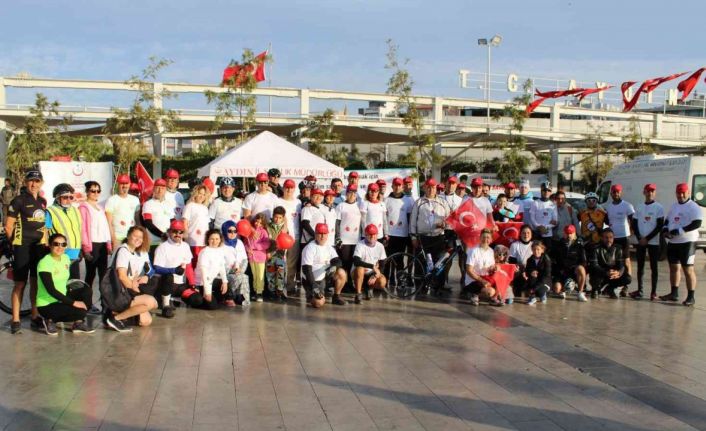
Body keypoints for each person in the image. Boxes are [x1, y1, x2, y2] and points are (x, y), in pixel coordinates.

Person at [5, 170, 48, 334]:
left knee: (35, 282)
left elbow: (44, 226)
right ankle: (15, 320)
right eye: (31, 181)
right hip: (22, 246)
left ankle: (35, 316)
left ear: (41, 183)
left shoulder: (43, 201)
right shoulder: (18, 200)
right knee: (20, 284)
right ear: (25, 182)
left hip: (38, 247)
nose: (34, 184)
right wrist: (14, 245)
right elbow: (9, 226)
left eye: (37, 181)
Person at [36, 233, 94, 335]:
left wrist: (75, 293)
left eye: (63, 244)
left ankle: (78, 323)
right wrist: (73, 303)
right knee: (80, 311)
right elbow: (51, 290)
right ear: (50, 245)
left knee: (86, 291)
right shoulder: (45, 263)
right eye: (56, 244)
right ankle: (49, 320)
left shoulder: (65, 258)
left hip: (61, 297)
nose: (60, 247)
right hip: (47, 304)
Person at [105, 226, 159, 332]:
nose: (138, 239)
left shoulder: (141, 252)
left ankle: (117, 314)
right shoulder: (123, 251)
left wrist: (146, 276)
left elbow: (151, 270)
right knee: (151, 302)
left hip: (129, 289)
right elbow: (122, 276)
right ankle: (115, 319)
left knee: (146, 321)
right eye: (135, 236)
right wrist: (135, 291)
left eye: (141, 237)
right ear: (128, 236)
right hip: (119, 292)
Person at [660, 183, 701, 306]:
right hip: (673, 242)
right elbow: (667, 220)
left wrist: (680, 230)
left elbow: (697, 223)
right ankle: (674, 293)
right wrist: (665, 229)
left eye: (683, 192)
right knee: (674, 268)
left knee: (688, 269)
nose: (681, 195)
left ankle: (691, 297)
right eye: (679, 193)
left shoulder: (693, 206)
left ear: (688, 192)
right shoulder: (674, 206)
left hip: (687, 242)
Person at [152, 220, 202, 308]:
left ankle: (174, 299)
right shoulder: (162, 247)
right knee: (169, 276)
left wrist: (192, 283)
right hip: (164, 284)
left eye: (180, 232)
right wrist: (174, 270)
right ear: (169, 232)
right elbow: (157, 268)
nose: (178, 234)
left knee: (197, 300)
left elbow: (188, 267)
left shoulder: (185, 246)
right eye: (175, 231)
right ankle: (165, 304)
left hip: (179, 285)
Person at [410, 178, 451, 286]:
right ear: (424, 188)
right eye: (428, 187)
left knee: (439, 262)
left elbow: (449, 220)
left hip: (438, 237)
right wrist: (413, 237)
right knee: (420, 262)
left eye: (433, 187)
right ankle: (420, 285)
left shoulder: (443, 202)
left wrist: (444, 225)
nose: (431, 189)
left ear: (436, 188)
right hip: (422, 237)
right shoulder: (419, 202)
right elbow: (413, 221)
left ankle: (439, 286)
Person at [78, 181, 112, 311]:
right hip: (91, 245)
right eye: (93, 190)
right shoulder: (83, 207)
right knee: (90, 275)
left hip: (102, 245)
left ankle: (105, 305)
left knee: (103, 276)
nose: (95, 193)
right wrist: (85, 248)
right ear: (87, 191)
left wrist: (108, 244)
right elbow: (83, 229)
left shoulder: (100, 208)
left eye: (98, 191)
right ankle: (87, 303)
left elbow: (105, 227)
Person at [630, 183, 664, 300]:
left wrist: (647, 239)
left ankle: (653, 292)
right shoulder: (639, 206)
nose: (649, 193)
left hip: (653, 242)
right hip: (641, 242)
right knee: (640, 266)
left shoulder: (659, 207)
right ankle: (640, 290)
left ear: (654, 193)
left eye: (652, 191)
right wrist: (640, 238)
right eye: (648, 191)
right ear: (644, 192)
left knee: (654, 267)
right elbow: (634, 223)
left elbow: (659, 226)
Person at [301, 223, 347, 307]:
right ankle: (311, 294)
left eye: (324, 234)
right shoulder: (310, 248)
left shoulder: (329, 247)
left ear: (327, 235)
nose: (322, 236)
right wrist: (314, 286)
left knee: (342, 273)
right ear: (315, 234)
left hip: (324, 277)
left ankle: (336, 296)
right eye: (320, 233)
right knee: (318, 303)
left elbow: (338, 261)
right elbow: (306, 269)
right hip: (311, 280)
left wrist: (333, 266)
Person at [45, 183, 82, 280]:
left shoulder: (75, 210)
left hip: (75, 254)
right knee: (61, 283)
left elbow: (78, 231)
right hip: (60, 254)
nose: (68, 200)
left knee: (74, 284)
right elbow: (45, 232)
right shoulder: (51, 211)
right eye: (65, 197)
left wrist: (81, 249)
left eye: (71, 197)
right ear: (57, 198)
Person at [604, 184, 635, 296]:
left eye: (617, 192)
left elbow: (633, 220)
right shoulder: (608, 207)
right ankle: (614, 282)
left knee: (626, 260)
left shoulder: (627, 205)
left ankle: (626, 285)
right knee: (613, 260)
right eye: (614, 192)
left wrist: (631, 231)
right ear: (611, 194)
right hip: (612, 238)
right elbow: (607, 221)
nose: (616, 194)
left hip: (624, 236)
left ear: (620, 192)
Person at [587, 229, 632, 299]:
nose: (608, 240)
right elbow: (594, 266)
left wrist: (618, 273)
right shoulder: (595, 248)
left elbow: (621, 265)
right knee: (594, 275)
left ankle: (610, 289)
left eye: (611, 237)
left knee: (627, 278)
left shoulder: (618, 248)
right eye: (606, 237)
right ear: (602, 238)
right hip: (600, 274)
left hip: (612, 275)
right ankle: (595, 289)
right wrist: (606, 272)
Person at [195, 229, 235, 309]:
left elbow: (221, 267)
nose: (215, 241)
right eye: (212, 239)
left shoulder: (220, 250)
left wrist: (224, 282)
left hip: (211, 280)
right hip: (202, 283)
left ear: (220, 240)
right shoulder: (205, 252)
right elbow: (204, 274)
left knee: (226, 284)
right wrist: (207, 292)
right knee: (212, 306)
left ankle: (217, 298)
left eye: (217, 239)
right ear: (208, 240)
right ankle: (201, 297)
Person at [463, 229, 502, 306]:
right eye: (483, 237)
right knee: (491, 292)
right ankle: (473, 294)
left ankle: (492, 297)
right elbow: (469, 270)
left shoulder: (491, 251)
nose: (485, 239)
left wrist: (494, 268)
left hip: (486, 278)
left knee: (502, 287)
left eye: (488, 237)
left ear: (491, 240)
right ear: (480, 238)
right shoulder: (473, 250)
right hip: (474, 280)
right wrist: (482, 280)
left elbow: (491, 268)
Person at [352, 224, 388, 302]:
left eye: (374, 234)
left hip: (372, 273)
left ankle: (369, 288)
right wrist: (372, 266)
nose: (372, 236)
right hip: (359, 272)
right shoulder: (360, 244)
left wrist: (375, 276)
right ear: (365, 234)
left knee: (382, 281)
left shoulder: (380, 246)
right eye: (370, 234)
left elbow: (383, 264)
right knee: (360, 269)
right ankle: (358, 294)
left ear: (377, 235)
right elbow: (356, 261)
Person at [105, 174, 141, 251]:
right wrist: (113, 239)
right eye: (122, 183)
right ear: (118, 184)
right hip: (118, 238)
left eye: (126, 183)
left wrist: (139, 236)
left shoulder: (135, 200)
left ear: (129, 184)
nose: (124, 186)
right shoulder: (111, 200)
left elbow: (138, 220)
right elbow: (109, 222)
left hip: (132, 238)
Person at [552, 225, 588, 302]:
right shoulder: (559, 244)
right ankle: (564, 289)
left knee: (581, 269)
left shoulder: (579, 245)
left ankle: (580, 292)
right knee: (557, 289)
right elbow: (553, 259)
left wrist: (576, 270)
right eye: (567, 233)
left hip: (574, 270)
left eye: (571, 233)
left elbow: (584, 261)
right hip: (562, 271)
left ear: (574, 233)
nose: (569, 235)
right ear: (564, 233)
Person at [278, 179, 302, 292]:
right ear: (283, 188)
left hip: (295, 237)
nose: (289, 189)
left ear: (294, 189)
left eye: (291, 188)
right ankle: (279, 286)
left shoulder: (298, 202)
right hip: (281, 237)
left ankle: (290, 285)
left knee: (292, 263)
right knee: (280, 263)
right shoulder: (278, 201)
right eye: (287, 187)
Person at [222, 220, 251, 306]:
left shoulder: (239, 243)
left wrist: (241, 270)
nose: (233, 233)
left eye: (235, 231)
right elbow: (220, 263)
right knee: (241, 277)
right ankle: (232, 296)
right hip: (226, 273)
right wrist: (233, 270)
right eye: (230, 231)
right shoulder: (221, 244)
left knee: (243, 276)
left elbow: (245, 259)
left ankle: (241, 298)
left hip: (239, 271)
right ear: (224, 231)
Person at [243, 213, 270, 302]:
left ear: (263, 224)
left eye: (260, 223)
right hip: (251, 257)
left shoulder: (264, 232)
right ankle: (255, 291)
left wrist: (255, 247)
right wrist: (247, 249)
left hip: (260, 256)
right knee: (254, 275)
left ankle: (259, 292)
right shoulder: (250, 231)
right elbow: (245, 243)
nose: (258, 224)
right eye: (256, 221)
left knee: (260, 275)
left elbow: (266, 243)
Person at [335, 184, 362, 275]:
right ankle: (343, 280)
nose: (352, 195)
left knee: (353, 262)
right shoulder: (341, 206)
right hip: (344, 239)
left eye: (354, 193)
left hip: (356, 239)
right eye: (350, 192)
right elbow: (337, 223)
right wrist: (337, 237)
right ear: (346, 194)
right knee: (345, 261)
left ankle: (350, 280)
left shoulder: (359, 205)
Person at [182, 184, 211, 267]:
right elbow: (185, 221)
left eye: (204, 194)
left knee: (202, 263)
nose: (201, 196)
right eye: (200, 193)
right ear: (195, 194)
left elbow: (206, 225)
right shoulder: (189, 206)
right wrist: (186, 235)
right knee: (194, 263)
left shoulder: (205, 208)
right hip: (193, 240)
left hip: (204, 241)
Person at [385, 178, 413, 261]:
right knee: (388, 259)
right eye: (395, 185)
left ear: (402, 186)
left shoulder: (408, 200)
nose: (397, 187)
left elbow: (410, 217)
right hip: (390, 234)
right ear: (392, 186)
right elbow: (384, 218)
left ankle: (399, 270)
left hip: (402, 234)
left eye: (399, 185)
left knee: (399, 260)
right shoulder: (386, 200)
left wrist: (410, 234)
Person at [142, 178, 175, 247]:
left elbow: (172, 222)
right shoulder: (148, 204)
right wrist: (162, 235)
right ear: (153, 189)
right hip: (154, 242)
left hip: (168, 242)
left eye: (162, 188)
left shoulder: (169, 204)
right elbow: (148, 224)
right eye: (158, 188)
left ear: (165, 190)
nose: (160, 191)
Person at [265, 206, 288, 301]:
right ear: (272, 216)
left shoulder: (284, 228)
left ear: (283, 218)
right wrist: (267, 251)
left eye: (280, 218)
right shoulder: (268, 226)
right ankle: (272, 291)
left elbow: (287, 241)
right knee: (270, 273)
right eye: (275, 217)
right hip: (270, 254)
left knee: (280, 273)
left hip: (280, 254)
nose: (277, 219)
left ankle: (280, 291)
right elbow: (264, 240)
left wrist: (285, 253)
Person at [508, 224, 534, 302]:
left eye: (528, 233)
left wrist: (528, 271)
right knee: (519, 292)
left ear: (531, 234)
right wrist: (521, 270)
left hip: (531, 270)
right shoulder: (514, 245)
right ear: (520, 234)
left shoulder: (534, 245)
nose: (526, 235)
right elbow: (512, 262)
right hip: (519, 271)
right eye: (524, 233)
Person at [529, 181, 557, 251]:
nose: (546, 192)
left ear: (551, 192)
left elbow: (555, 221)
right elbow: (532, 218)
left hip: (548, 234)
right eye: (544, 190)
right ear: (541, 191)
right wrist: (539, 227)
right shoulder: (535, 203)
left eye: (548, 190)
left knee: (547, 254)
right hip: (537, 233)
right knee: (536, 253)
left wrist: (546, 227)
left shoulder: (553, 205)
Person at [524, 241, 552, 305]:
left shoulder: (546, 259)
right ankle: (532, 298)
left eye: (538, 249)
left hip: (545, 281)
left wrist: (534, 289)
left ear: (542, 250)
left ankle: (542, 294)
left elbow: (547, 275)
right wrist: (531, 272)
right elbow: (527, 272)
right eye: (534, 249)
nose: (536, 251)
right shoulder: (529, 260)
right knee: (529, 282)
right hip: (534, 280)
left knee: (539, 291)